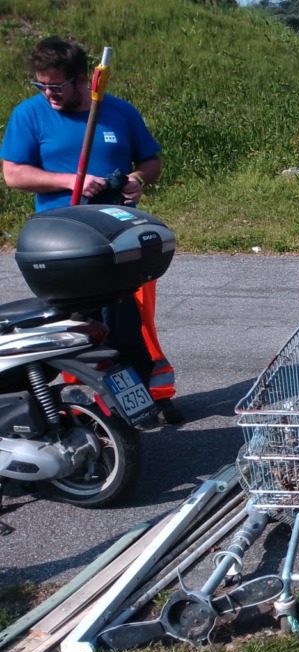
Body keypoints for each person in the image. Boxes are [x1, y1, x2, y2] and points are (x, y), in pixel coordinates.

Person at [1, 37, 182, 425]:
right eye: (41, 85)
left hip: (120, 242)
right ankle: (90, 405)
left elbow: (151, 161)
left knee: (131, 324)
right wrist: (71, 181)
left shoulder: (118, 112)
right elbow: (13, 174)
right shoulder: (29, 115)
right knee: (82, 330)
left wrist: (135, 179)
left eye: (56, 85)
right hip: (64, 246)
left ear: (83, 81)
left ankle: (146, 396)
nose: (48, 93)